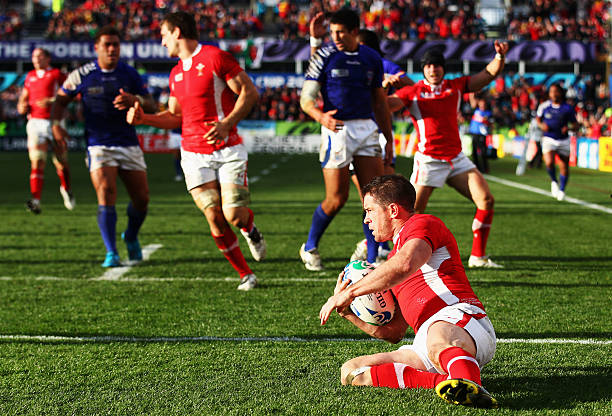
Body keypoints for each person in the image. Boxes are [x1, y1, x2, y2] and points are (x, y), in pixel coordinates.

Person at [319, 174, 498, 409]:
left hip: (462, 320)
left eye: (370, 211)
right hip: (426, 340)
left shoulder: (423, 224)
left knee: (438, 338)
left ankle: (468, 382)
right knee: (352, 372)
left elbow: (406, 263)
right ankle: (446, 382)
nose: (366, 220)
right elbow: (394, 332)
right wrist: (347, 313)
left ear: (392, 210)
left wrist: (350, 292)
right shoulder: (391, 264)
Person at [126, 11, 265, 291]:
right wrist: (145, 120)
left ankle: (249, 228)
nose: (162, 42)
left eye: (164, 35)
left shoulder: (215, 58)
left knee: (234, 215)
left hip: (227, 148)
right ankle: (245, 274)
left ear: (177, 32)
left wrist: (227, 123)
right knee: (213, 215)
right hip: (193, 152)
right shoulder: (176, 72)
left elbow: (249, 92)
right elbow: (176, 116)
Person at [387, 43, 509, 268]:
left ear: (443, 68)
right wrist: (382, 88)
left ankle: (478, 257)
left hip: (456, 159)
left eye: (437, 65)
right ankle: (394, 258)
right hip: (429, 161)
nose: (433, 69)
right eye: (429, 66)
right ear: (423, 70)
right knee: (412, 214)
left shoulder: (456, 86)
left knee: (486, 200)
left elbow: (486, 75)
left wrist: (499, 56)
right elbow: (387, 106)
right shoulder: (413, 92)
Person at [51, 26, 157, 267]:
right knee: (106, 192)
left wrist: (136, 100)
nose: (112, 49)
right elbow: (60, 100)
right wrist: (56, 125)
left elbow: (151, 104)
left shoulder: (129, 74)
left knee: (142, 199)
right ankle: (112, 252)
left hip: (128, 143)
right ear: (96, 47)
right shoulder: (82, 74)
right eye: (107, 44)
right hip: (98, 144)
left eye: (116, 45)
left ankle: (130, 235)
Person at [299, 8, 394, 271]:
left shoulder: (371, 58)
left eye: (340, 32)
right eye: (332, 32)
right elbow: (305, 100)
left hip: (366, 129)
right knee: (336, 198)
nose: (336, 37)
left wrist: (388, 137)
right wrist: (322, 117)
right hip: (336, 130)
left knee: (373, 197)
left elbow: (379, 101)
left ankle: (373, 261)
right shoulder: (324, 56)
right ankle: (310, 247)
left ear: (354, 31)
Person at [17, 47, 75, 214]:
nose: (36, 59)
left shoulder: (57, 74)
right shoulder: (30, 76)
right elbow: (24, 96)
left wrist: (51, 100)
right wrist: (21, 104)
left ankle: (66, 189)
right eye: (34, 56)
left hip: (54, 122)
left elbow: (70, 93)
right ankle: (35, 200)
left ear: (48, 58)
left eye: (40, 56)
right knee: (37, 161)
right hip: (35, 122)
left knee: (61, 162)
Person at [536, 84, 578, 201]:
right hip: (549, 138)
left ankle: (562, 189)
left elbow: (575, 125)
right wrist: (541, 125)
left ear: (560, 93)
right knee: (549, 162)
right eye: (551, 92)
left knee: (564, 166)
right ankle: (554, 181)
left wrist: (569, 128)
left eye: (556, 91)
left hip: (563, 139)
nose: (553, 94)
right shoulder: (544, 106)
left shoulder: (567, 108)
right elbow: (538, 119)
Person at [468, 97, 491, 173]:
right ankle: (477, 167)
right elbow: (472, 102)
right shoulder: (475, 111)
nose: (482, 105)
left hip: (482, 134)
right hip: (474, 133)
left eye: (483, 103)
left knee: (483, 152)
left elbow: (487, 121)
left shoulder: (487, 113)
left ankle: (485, 168)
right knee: (474, 152)